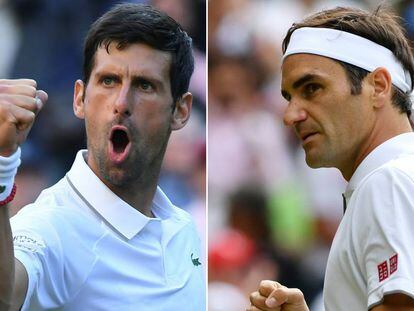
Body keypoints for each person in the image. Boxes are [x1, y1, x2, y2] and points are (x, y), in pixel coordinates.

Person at [0, 3, 205, 310]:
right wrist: (3, 164)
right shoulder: (51, 227)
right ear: (80, 98)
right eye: (109, 81)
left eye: (144, 85)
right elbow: (5, 296)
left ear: (180, 110)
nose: (121, 103)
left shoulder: (185, 227)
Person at [248, 6, 414, 311]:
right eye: (289, 97)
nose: (290, 116)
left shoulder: (386, 181)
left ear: (378, 86)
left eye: (312, 88)